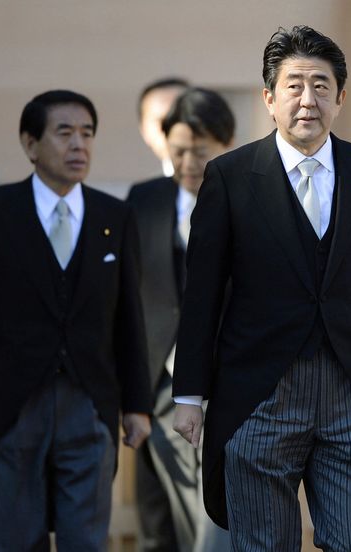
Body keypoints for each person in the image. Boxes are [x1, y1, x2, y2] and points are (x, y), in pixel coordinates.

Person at [171, 25, 351, 551]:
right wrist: (189, 395)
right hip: (258, 394)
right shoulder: (229, 176)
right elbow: (201, 296)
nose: (307, 100)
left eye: (321, 85)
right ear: (269, 99)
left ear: (340, 98)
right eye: (293, 86)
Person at [0, 89, 152, 550]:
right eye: (64, 133)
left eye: (87, 134)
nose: (79, 145)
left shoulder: (114, 216)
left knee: (86, 538)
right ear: (30, 143)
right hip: (11, 402)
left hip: (90, 402)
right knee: (14, 535)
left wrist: (136, 405)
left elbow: (128, 318)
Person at [128, 87, 234, 552]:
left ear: (226, 145)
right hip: (160, 382)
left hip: (227, 378)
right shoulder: (144, 199)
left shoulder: (249, 197)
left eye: (201, 152)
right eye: (178, 152)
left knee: (216, 510)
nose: (189, 163)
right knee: (167, 512)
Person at [139, 77, 189, 177]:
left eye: (179, 117)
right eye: (160, 121)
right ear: (144, 131)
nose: (170, 128)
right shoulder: (144, 191)